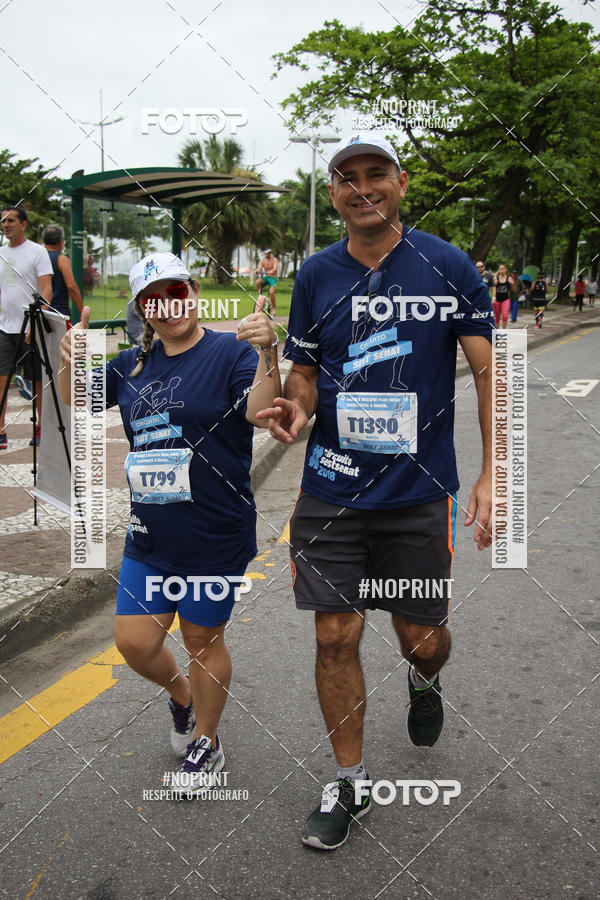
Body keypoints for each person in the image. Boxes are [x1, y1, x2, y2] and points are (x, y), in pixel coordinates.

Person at [258, 133, 493, 850]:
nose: (362, 188)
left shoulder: (447, 265)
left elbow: (492, 372)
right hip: (331, 491)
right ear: (332, 193)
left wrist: (496, 473)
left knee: (421, 640)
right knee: (335, 633)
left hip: (419, 493)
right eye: (346, 178)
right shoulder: (316, 276)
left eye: (375, 174)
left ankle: (425, 681)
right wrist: (296, 402)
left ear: (401, 182)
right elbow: (304, 366)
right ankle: (352, 782)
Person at [58, 252, 281, 795]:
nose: (168, 303)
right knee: (134, 641)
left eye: (176, 289)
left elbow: (260, 411)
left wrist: (268, 351)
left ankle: (208, 739)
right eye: (154, 296)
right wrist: (69, 359)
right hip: (151, 533)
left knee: (202, 637)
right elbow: (76, 404)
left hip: (215, 530)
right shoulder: (132, 365)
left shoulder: (229, 353)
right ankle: (182, 697)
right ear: (142, 309)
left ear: (193, 290)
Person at [0, 207, 53, 450]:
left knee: (37, 380)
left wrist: (36, 320)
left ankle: (41, 428)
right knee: (1, 380)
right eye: (3, 221)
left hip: (31, 328)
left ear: (23, 224)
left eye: (11, 220)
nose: (6, 224)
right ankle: (0, 431)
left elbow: (46, 290)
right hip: (4, 329)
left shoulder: (37, 252)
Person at [42, 224, 83, 320]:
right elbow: (71, 287)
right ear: (60, 242)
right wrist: (82, 310)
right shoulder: (61, 259)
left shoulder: (37, 258)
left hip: (40, 312)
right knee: (65, 336)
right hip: (59, 313)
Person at [255, 249, 279, 315]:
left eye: (269, 253)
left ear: (270, 253)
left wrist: (272, 270)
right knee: (258, 281)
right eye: (266, 253)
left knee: (271, 292)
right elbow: (259, 268)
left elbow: (275, 267)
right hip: (266, 277)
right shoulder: (263, 261)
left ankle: (273, 307)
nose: (268, 254)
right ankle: (261, 297)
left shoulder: (274, 260)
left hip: (273, 278)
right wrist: (257, 271)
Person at [493, 263, 511, 328]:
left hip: (505, 299)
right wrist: (494, 297)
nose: (502, 271)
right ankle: (497, 332)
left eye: (503, 269)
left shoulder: (508, 278)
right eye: (500, 269)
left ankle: (503, 332)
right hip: (497, 299)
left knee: (505, 315)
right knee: (497, 317)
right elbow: (493, 286)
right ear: (498, 270)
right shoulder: (496, 278)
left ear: (506, 269)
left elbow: (514, 286)